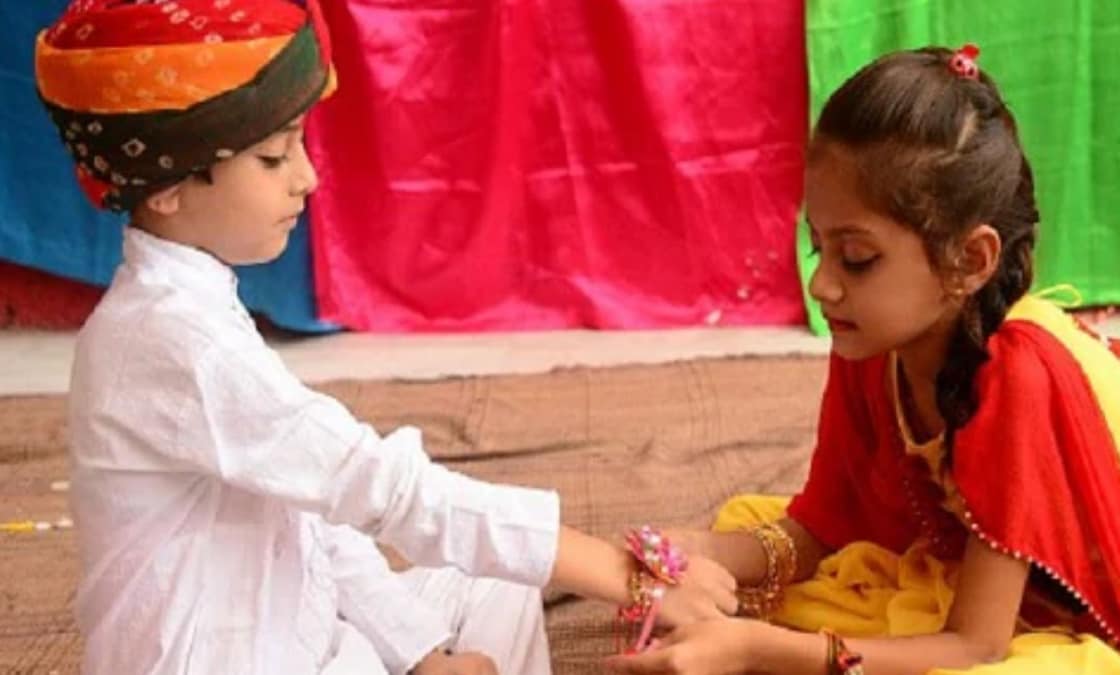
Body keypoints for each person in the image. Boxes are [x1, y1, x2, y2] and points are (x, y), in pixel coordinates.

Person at [32, 2, 737, 673]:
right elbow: (380, 488)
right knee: (454, 556)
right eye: (274, 158)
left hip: (295, 630)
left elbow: (313, 511)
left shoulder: (192, 307)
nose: (306, 178)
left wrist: (424, 649)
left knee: (495, 583)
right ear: (166, 188)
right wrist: (629, 576)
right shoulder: (176, 340)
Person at [609, 44, 1120, 675]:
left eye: (856, 257)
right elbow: (825, 525)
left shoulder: (1018, 374)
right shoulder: (875, 335)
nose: (822, 286)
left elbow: (977, 645)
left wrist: (759, 651)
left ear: (970, 261)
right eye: (819, 249)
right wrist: (698, 549)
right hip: (969, 572)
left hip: (1089, 616)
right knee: (753, 540)